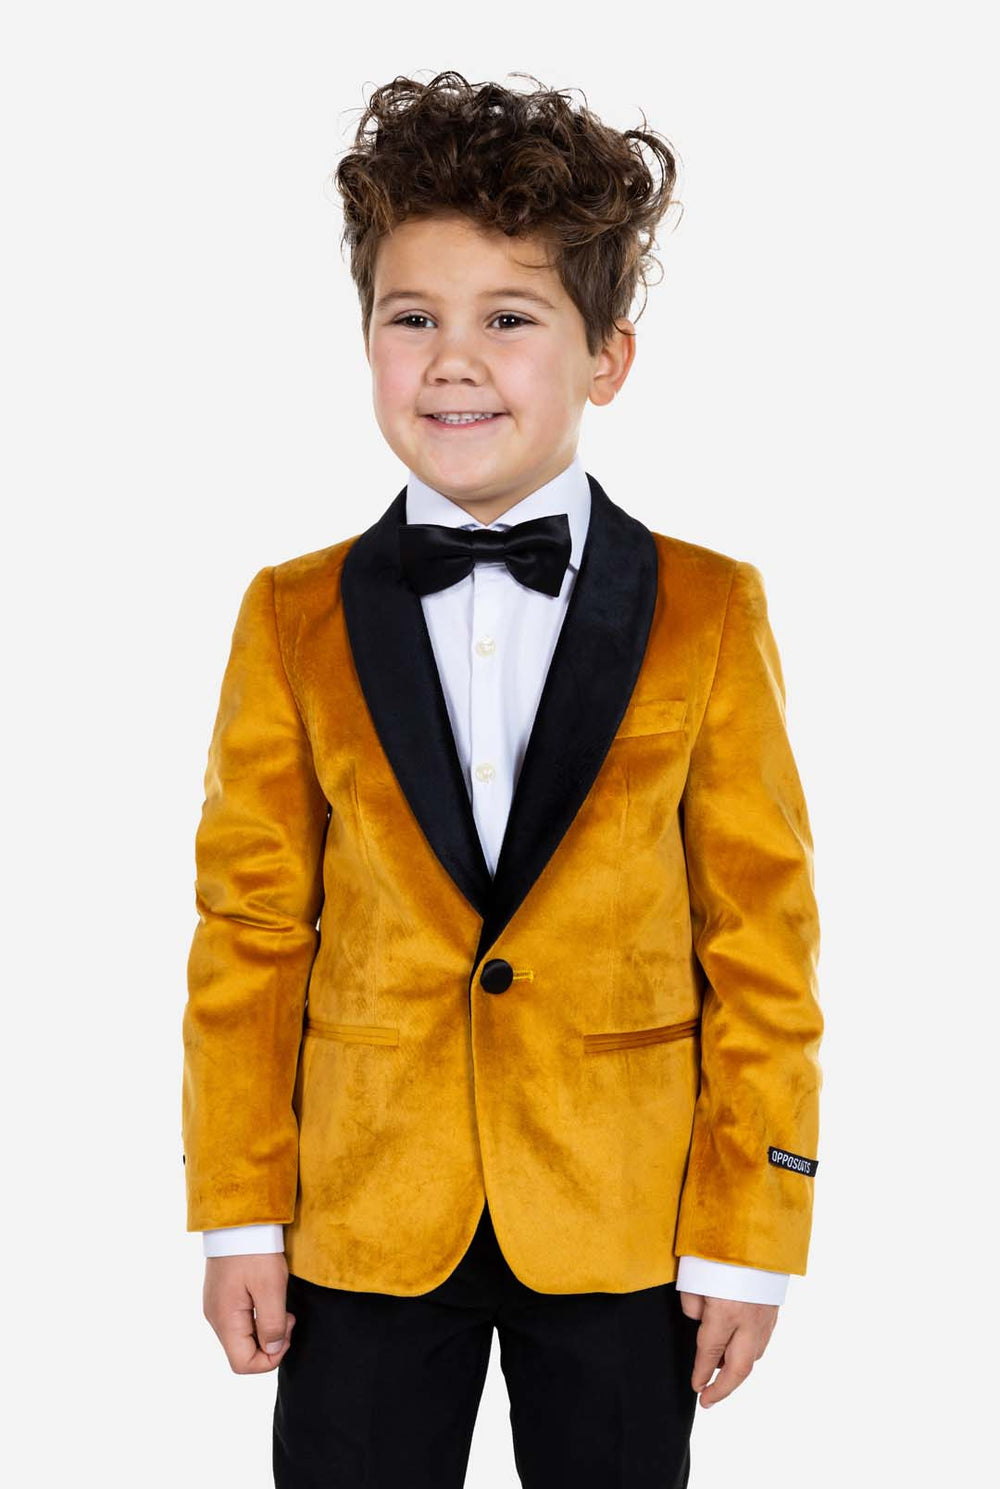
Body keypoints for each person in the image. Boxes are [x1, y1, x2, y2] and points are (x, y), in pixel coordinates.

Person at [181, 70, 824, 1489]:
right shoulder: (290, 615)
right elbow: (250, 933)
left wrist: (753, 1227)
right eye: (412, 318)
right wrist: (237, 1213)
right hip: (361, 1214)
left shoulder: (711, 609)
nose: (452, 362)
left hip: (625, 1215)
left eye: (510, 319)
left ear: (608, 358)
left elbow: (761, 938)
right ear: (366, 338)